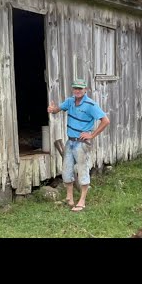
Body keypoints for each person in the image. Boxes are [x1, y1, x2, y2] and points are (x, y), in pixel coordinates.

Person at [47, 78, 110, 212]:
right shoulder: (70, 101)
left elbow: (105, 121)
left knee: (82, 170)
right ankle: (69, 198)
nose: (77, 91)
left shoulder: (90, 105)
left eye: (80, 89)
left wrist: (92, 135)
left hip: (82, 144)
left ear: (85, 90)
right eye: (75, 88)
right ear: (73, 89)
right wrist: (52, 109)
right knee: (66, 171)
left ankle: (82, 201)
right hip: (70, 141)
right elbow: (58, 109)